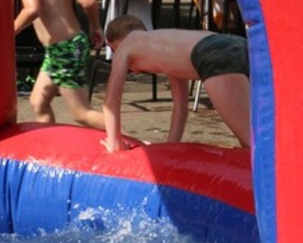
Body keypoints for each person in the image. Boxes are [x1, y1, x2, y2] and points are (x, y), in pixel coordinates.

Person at [101, 15, 251, 151]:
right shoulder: (163, 44)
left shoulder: (125, 46)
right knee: (255, 130)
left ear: (112, 45)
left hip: (214, 53)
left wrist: (115, 142)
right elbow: (181, 107)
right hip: (237, 43)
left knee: (251, 142)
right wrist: (170, 147)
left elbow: (111, 99)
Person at [11, 0, 105, 129]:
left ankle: (135, 141)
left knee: (82, 113)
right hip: (69, 45)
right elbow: (89, 2)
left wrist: (8, 33)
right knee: (38, 102)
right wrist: (95, 27)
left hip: (64, 49)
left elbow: (32, 9)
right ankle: (49, 143)